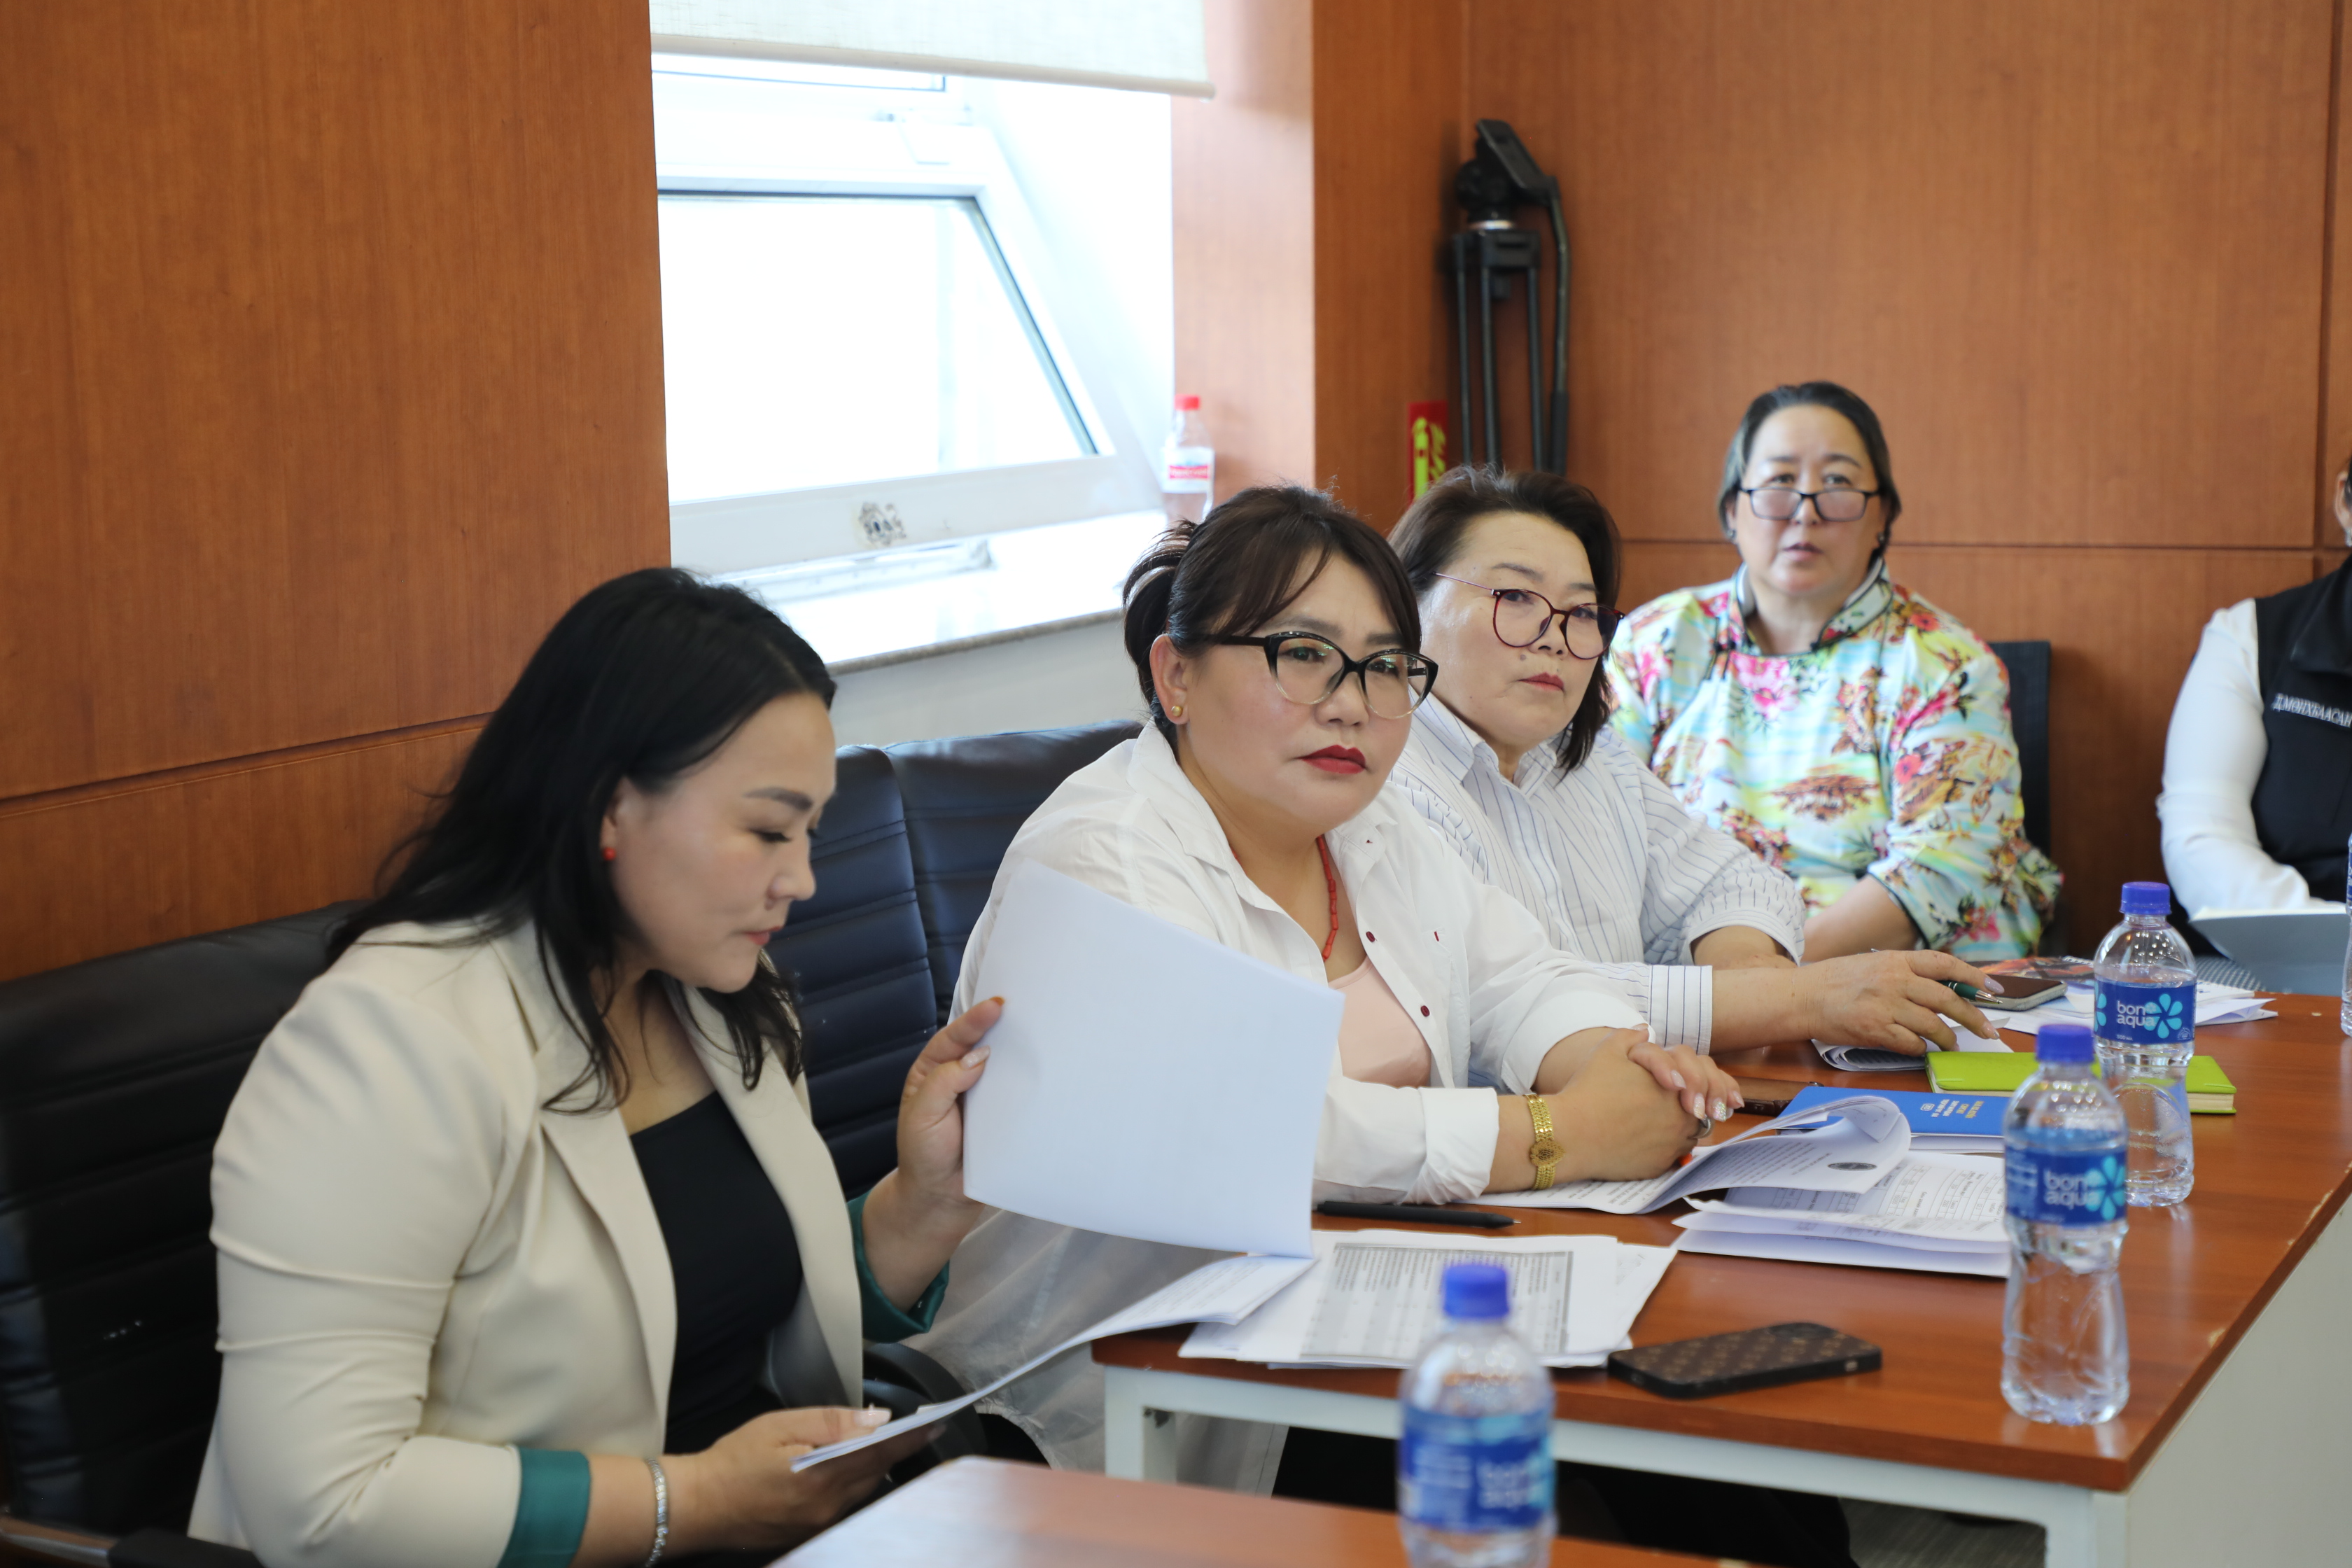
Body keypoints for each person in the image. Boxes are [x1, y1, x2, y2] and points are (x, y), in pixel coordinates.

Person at [909, 485, 1737, 1490]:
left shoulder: (1369, 826)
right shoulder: (1104, 855)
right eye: (1303, 654)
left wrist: (1619, 1061)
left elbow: (1521, 975)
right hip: (1117, 1402)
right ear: (1176, 674)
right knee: (1607, 1459)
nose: (1351, 701)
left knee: (1698, 1403)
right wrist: (1563, 1130)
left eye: (1385, 666)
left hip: (1347, 1327)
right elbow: (1260, 1135)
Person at [190, 569, 1002, 1568]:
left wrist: (925, 1202)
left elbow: (765, 1322)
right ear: (609, 807)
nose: (800, 878)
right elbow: (322, 1502)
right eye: (766, 830)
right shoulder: (383, 1045)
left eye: (808, 834)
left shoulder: (718, 993)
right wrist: (695, 1501)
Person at [1389, 465, 2001, 1056]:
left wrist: (1750, 977)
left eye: (1581, 612)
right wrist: (1789, 1000)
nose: (1554, 635)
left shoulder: (1587, 757)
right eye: (1516, 596)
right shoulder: (1388, 783)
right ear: (1405, 606)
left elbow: (1734, 881)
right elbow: (1515, 996)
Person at [1608, 382, 2060, 961]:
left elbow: (1942, 868)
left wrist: (1769, 984)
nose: (1806, 512)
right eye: (1779, 481)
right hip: (1686, 978)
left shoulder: (1944, 663)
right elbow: (1598, 825)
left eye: (1838, 483)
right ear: (1732, 509)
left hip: (1886, 980)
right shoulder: (1655, 641)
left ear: (1883, 514)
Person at [2159, 456, 2352, 915]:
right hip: (2290, 943)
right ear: (2346, 504)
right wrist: (2330, 939)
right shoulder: (2250, 637)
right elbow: (2202, 835)